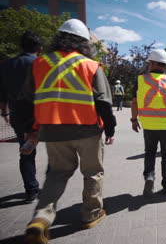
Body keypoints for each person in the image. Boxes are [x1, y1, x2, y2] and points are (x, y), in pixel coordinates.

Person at [17, 19, 116, 244]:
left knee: (57, 173)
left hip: (52, 130)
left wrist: (30, 129)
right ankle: (91, 214)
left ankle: (41, 218)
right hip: (87, 129)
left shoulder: (40, 63)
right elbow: (103, 102)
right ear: (83, 42)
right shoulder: (90, 65)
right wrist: (110, 128)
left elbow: (25, 100)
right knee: (93, 172)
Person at [131, 49, 166, 197]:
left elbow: (134, 103)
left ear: (152, 63)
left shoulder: (141, 80)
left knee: (150, 153)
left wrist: (134, 120)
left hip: (148, 125)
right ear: (165, 65)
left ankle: (149, 177)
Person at [0, 31, 42, 203]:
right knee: (58, 151)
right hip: (40, 115)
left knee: (26, 152)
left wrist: (5, 113)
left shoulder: (6, 65)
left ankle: (31, 190)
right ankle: (55, 183)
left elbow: (2, 94)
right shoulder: (39, 64)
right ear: (39, 48)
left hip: (18, 115)